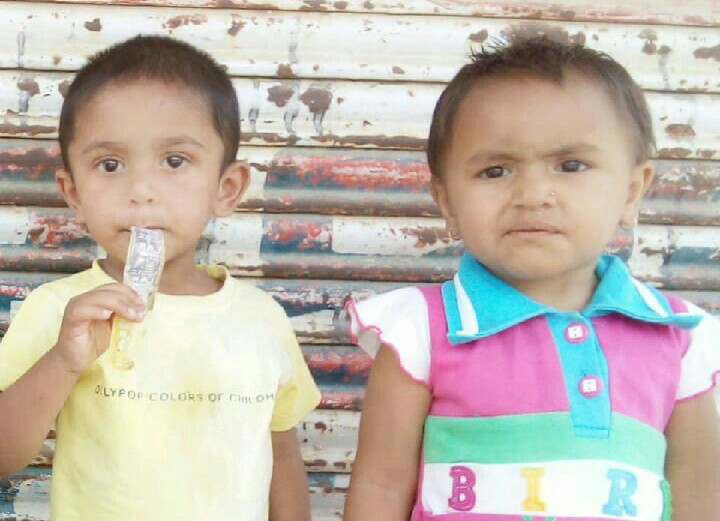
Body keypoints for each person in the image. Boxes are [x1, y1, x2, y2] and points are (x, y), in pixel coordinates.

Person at [343, 37, 720, 521]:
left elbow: (700, 493)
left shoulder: (680, 337)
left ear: (631, 191)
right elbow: (379, 486)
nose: (533, 194)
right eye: (495, 170)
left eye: (571, 166)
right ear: (447, 201)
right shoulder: (420, 329)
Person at [0, 35, 320, 521]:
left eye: (174, 161)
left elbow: (281, 455)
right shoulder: (61, 310)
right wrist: (63, 361)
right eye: (110, 165)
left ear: (226, 187)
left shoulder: (262, 319)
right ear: (73, 192)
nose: (141, 190)